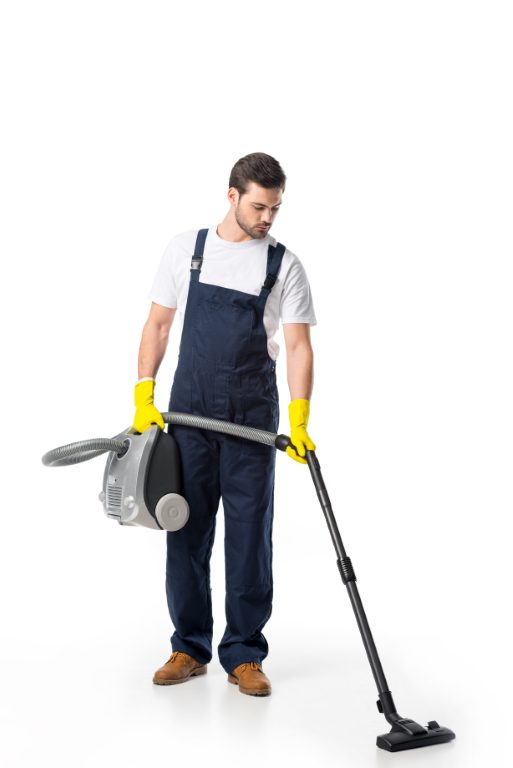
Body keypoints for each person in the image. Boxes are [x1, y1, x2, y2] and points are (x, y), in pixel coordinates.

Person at [133, 152, 316, 696]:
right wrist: (144, 392)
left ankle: (244, 653)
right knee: (185, 530)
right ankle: (189, 647)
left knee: (249, 538)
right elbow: (158, 326)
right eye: (259, 206)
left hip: (250, 420)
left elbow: (301, 345)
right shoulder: (186, 251)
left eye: (275, 208)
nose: (267, 218)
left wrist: (300, 415)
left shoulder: (283, 265)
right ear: (232, 195)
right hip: (188, 417)